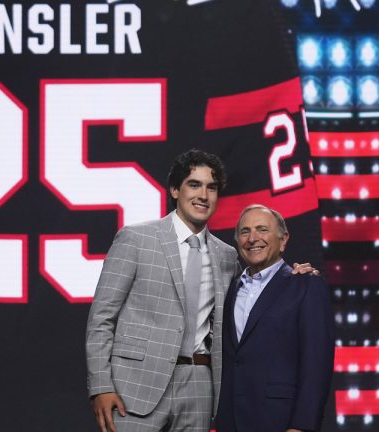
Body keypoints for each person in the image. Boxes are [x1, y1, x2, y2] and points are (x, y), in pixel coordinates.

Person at [86, 151, 317, 432]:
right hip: (135, 386)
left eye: (212, 187)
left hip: (199, 386)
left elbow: (253, 295)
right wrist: (101, 385)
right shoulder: (136, 238)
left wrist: (290, 274)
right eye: (194, 184)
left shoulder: (227, 256)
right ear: (175, 189)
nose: (203, 195)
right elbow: (102, 318)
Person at [215, 205, 335, 432]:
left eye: (262, 229)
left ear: (283, 240)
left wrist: (302, 426)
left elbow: (316, 365)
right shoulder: (229, 289)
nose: (253, 238)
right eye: (245, 231)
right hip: (231, 422)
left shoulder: (306, 286)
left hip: (281, 421)